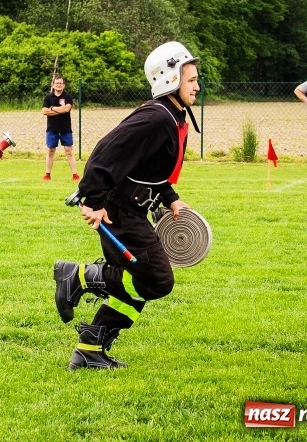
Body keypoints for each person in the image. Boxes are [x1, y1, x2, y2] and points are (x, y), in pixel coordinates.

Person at [53, 41, 200, 370]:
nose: (197, 86)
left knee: (143, 284)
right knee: (158, 280)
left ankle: (89, 349)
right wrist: (92, 201)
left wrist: (170, 199)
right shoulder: (155, 118)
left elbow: (149, 169)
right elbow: (105, 153)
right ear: (170, 79)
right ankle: (79, 277)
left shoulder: (170, 116)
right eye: (191, 79)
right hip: (117, 210)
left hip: (131, 209)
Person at [42, 75, 79, 181]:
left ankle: (75, 175)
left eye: (61, 83)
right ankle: (47, 174)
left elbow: (67, 109)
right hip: (52, 129)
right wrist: (60, 110)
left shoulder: (67, 97)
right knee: (50, 151)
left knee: (69, 151)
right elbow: (44, 111)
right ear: (53, 85)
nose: (59, 85)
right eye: (57, 83)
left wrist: (52, 108)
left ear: (64, 85)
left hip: (65, 129)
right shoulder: (48, 98)